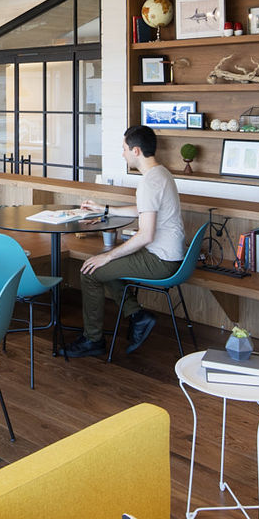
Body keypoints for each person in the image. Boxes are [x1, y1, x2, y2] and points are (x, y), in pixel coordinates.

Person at [62, 126, 186, 359]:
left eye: (124, 149)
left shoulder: (149, 183)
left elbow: (146, 235)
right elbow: (144, 210)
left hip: (161, 260)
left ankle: (93, 340)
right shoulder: (160, 173)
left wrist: (108, 255)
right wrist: (106, 209)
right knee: (104, 267)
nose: (123, 153)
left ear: (136, 150)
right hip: (170, 255)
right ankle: (138, 316)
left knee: (91, 270)